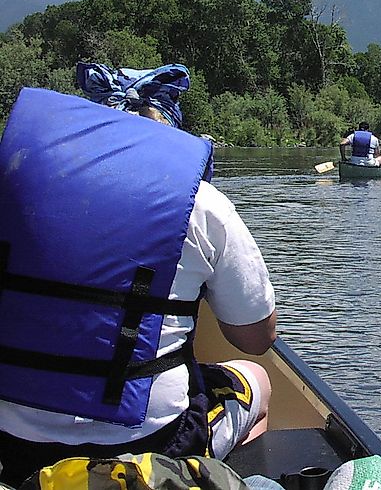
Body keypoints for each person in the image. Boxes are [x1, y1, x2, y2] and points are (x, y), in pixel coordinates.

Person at [0, 62, 277, 487]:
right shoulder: (204, 206)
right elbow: (256, 339)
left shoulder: (12, 186)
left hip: (13, 445)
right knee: (257, 380)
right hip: (151, 445)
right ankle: (203, 478)